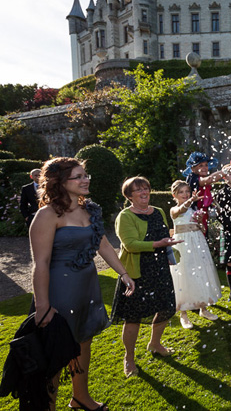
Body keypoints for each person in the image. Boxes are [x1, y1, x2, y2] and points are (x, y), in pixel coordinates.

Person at [30, 157, 135, 411]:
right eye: (78, 176)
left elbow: (103, 245)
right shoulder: (47, 215)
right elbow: (40, 264)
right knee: (55, 352)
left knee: (83, 343)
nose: (85, 179)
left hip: (86, 286)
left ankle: (80, 398)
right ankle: (48, 406)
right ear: (60, 182)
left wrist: (123, 273)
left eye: (85, 175)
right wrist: (43, 306)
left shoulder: (89, 210)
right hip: (59, 291)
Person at [111, 176, 181, 378]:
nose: (144, 193)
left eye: (146, 189)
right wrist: (159, 244)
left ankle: (155, 343)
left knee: (166, 307)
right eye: (138, 190)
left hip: (159, 270)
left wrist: (169, 249)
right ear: (129, 195)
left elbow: (164, 234)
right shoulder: (125, 216)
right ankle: (129, 358)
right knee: (133, 317)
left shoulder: (158, 212)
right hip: (137, 274)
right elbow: (130, 244)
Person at [169, 180, 222, 328]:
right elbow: (180, 211)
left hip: (197, 242)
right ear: (174, 195)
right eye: (181, 192)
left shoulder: (192, 209)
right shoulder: (174, 209)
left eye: (187, 191)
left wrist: (199, 223)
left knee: (200, 272)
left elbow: (201, 229)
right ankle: (183, 313)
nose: (185, 194)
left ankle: (203, 307)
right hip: (183, 244)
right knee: (184, 274)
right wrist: (191, 200)